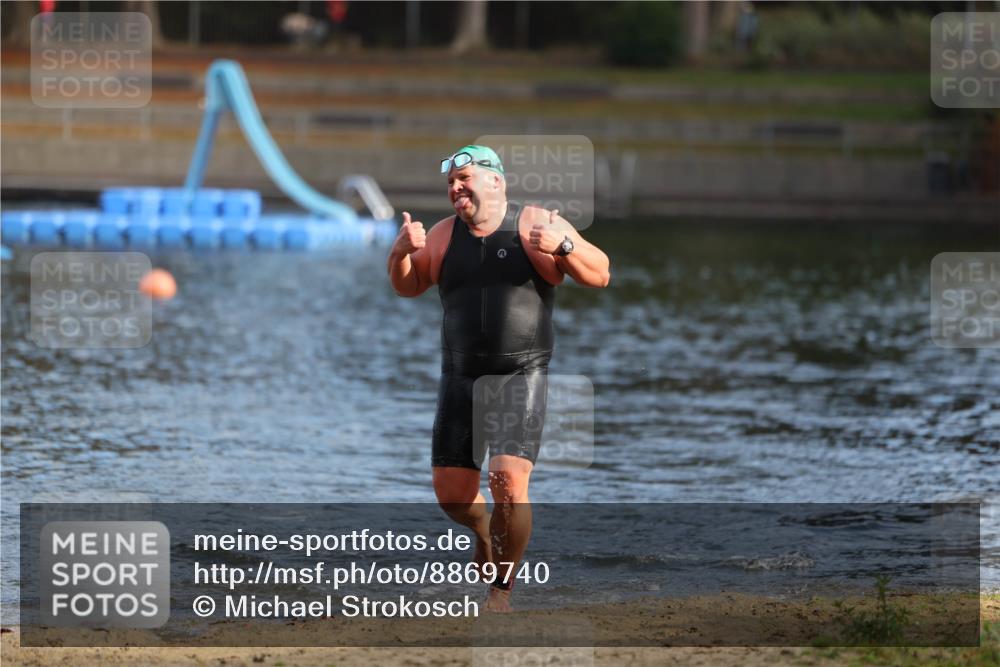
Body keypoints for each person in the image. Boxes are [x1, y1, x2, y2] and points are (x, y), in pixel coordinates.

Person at [387, 145, 610, 612]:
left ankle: (501, 593)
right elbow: (409, 286)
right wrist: (400, 253)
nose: (455, 189)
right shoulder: (444, 235)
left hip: (520, 373)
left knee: (507, 481)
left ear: (495, 181)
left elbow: (601, 274)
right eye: (451, 183)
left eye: (464, 179)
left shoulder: (534, 224)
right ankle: (484, 531)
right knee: (452, 497)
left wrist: (564, 247)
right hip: (460, 375)